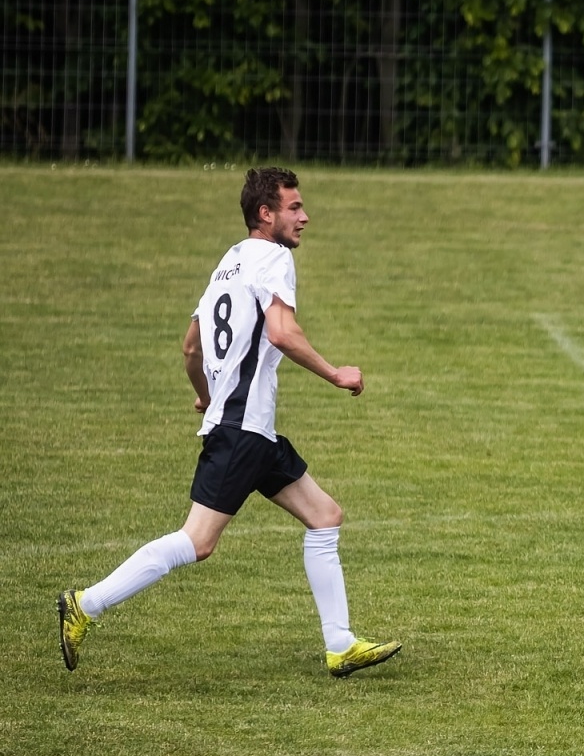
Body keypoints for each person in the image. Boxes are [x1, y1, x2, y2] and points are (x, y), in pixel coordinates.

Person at [56, 167, 400, 679]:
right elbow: (281, 333)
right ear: (267, 214)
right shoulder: (275, 258)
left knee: (325, 515)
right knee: (197, 542)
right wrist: (334, 373)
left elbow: (191, 347)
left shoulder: (229, 262)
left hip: (247, 427)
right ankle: (86, 604)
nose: (305, 217)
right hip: (242, 428)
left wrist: (205, 396)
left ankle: (340, 644)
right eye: (295, 207)